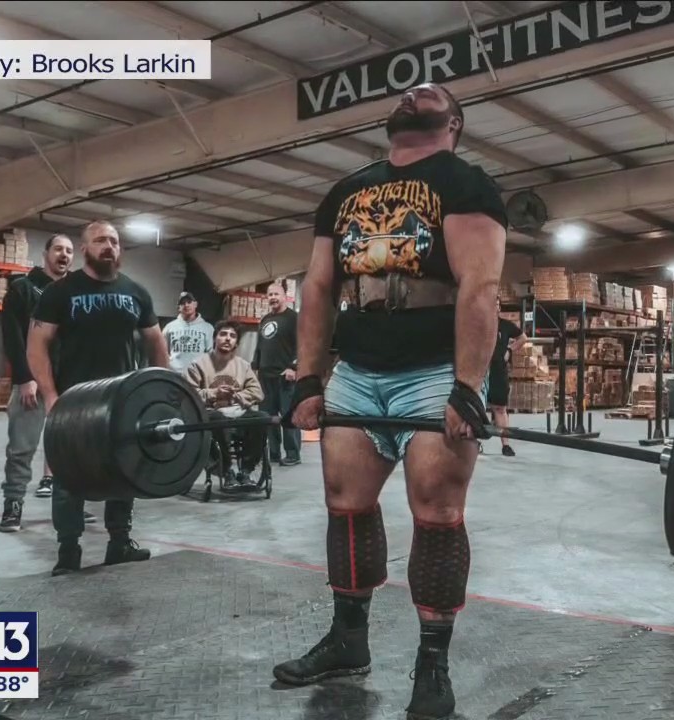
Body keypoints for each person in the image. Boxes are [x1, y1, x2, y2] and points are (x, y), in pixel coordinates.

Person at [273, 82, 507, 720]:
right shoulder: (347, 190)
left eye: (428, 94)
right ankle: (348, 641)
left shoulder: (466, 183)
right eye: (405, 92)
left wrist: (467, 385)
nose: (411, 94)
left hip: (434, 370)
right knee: (345, 504)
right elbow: (318, 287)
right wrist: (310, 379)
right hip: (358, 369)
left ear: (453, 123)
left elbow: (480, 286)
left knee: (437, 509)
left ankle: (432, 665)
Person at [27, 219, 171, 576]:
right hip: (73, 402)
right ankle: (68, 552)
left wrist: (159, 391)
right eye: (101, 240)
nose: (109, 246)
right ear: (85, 248)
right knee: (69, 477)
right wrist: (50, 395)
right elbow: (36, 345)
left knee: (124, 471)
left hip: (122, 402)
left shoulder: (136, 292)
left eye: (115, 241)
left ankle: (119, 544)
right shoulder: (60, 292)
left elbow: (156, 344)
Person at [0, 234, 96, 531]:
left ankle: (71, 505)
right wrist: (24, 378)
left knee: (71, 450)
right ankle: (13, 505)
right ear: (45, 254)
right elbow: (13, 337)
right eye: (58, 249)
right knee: (21, 448)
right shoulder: (22, 289)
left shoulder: (76, 292)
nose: (64, 255)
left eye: (69, 251)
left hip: (68, 385)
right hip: (33, 383)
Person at [185, 320, 270, 491]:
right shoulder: (198, 365)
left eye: (232, 336)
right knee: (216, 419)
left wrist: (236, 396)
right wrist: (214, 393)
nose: (227, 338)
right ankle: (226, 470)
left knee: (262, 418)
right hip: (212, 412)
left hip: (238, 412)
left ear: (236, 342)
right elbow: (189, 394)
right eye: (223, 334)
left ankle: (246, 470)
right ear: (214, 338)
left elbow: (257, 392)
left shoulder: (243, 366)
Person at [254, 280, 301, 466]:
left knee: (288, 416)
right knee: (268, 416)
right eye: (270, 295)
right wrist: (255, 368)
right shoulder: (265, 320)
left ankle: (293, 454)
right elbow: (259, 347)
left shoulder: (294, 318)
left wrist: (293, 367)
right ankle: (273, 453)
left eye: (276, 294)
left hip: (285, 376)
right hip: (265, 376)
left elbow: (302, 345)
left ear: (284, 296)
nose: (273, 297)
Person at [487, 301, 525, 456]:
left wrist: (509, 349)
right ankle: (474, 444)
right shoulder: (478, 323)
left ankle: (506, 445)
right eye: (492, 303)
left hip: (498, 370)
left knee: (500, 408)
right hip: (480, 370)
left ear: (499, 307)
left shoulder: (505, 325)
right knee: (475, 408)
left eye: (497, 304)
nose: (494, 306)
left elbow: (523, 337)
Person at [164, 292, 214, 374]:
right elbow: (164, 352)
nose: (186, 305)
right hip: (174, 374)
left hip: (197, 374)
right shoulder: (169, 327)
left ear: (195, 304)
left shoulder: (208, 328)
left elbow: (210, 354)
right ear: (179, 308)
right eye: (182, 303)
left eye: (189, 302)